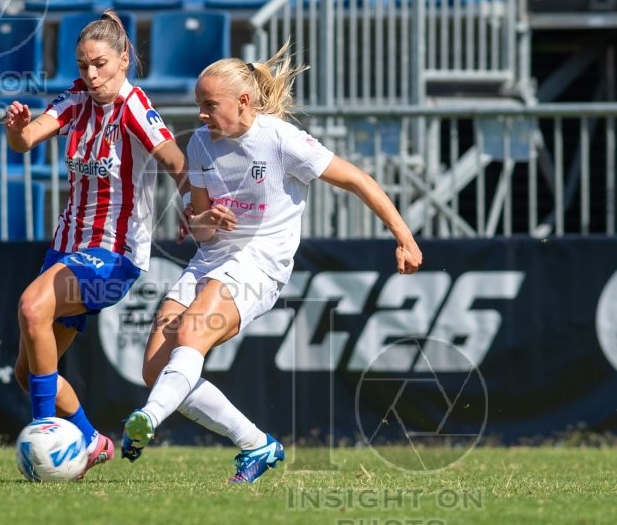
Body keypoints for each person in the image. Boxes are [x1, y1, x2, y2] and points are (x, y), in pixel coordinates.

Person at [121, 45, 423, 483]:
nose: (202, 115)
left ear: (243, 102)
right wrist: (205, 219)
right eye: (198, 106)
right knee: (155, 369)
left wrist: (405, 237)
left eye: (210, 106)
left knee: (191, 333)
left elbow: (357, 180)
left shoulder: (280, 140)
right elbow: (202, 228)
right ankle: (256, 444)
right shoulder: (203, 142)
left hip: (261, 263)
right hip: (213, 257)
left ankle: (148, 419)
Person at [5, 11, 188, 478]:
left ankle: (44, 432)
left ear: (124, 60)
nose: (92, 75)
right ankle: (91, 439)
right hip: (67, 250)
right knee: (28, 372)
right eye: (84, 65)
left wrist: (193, 205)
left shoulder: (133, 106)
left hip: (114, 256)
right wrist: (17, 128)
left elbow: (173, 158)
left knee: (31, 307)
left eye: (101, 64)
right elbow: (26, 141)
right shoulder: (75, 98)